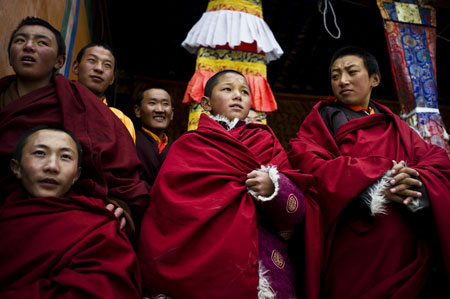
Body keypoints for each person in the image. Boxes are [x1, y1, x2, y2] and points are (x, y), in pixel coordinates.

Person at [137, 70, 321, 298]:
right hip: (198, 255)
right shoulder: (189, 145)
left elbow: (298, 209)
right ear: (206, 103)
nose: (237, 95)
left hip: (258, 254)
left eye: (244, 92)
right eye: (227, 89)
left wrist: (275, 187)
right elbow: (167, 207)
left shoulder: (266, 140)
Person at [288, 46, 450, 298]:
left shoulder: (394, 124)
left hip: (403, 240)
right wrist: (377, 179)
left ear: (375, 79)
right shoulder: (322, 119)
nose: (342, 81)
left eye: (351, 72)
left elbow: (436, 161)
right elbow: (308, 162)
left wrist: (414, 181)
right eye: (335, 76)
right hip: (353, 238)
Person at [0, 17, 148, 233]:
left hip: (64, 214)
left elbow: (121, 169)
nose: (29, 46)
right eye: (20, 41)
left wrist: (120, 204)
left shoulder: (83, 104)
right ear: (10, 55)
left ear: (60, 62)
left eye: (42, 42)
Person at [0, 126, 141, 298]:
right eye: (39, 153)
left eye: (65, 157)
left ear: (76, 175)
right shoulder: (6, 218)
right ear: (16, 167)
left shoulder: (99, 226)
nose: (52, 166)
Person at [72, 42, 136, 142]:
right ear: (76, 67)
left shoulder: (120, 120)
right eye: (92, 60)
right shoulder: (59, 101)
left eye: (107, 65)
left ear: (112, 79)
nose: (99, 68)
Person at [133, 86, 174, 188]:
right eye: (152, 103)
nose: (160, 110)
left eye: (165, 104)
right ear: (138, 111)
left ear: (172, 113)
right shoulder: (130, 140)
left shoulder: (178, 148)